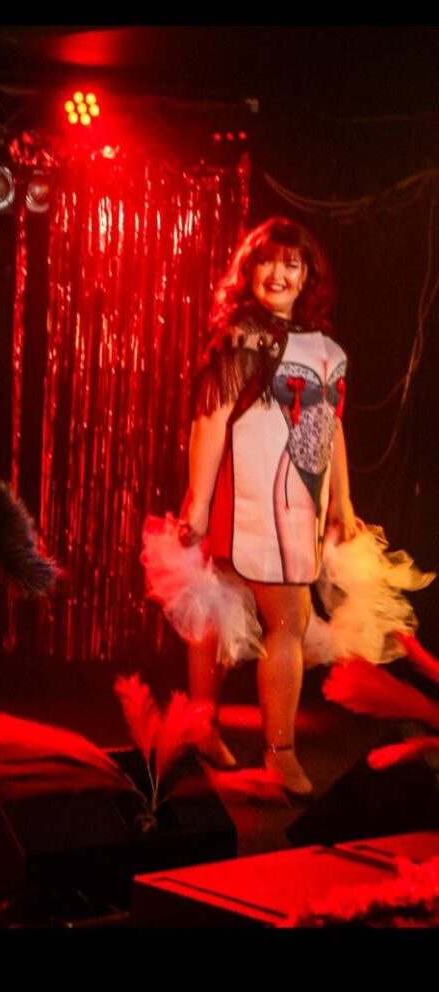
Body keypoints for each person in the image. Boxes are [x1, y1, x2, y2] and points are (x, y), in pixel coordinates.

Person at [177, 217, 355, 798]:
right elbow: (209, 419)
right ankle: (277, 753)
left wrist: (343, 500)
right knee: (276, 617)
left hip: (298, 505)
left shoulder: (326, 351)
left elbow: (331, 425)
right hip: (246, 499)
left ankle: (206, 729)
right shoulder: (243, 337)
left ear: (307, 277)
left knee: (225, 612)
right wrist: (198, 502)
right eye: (266, 261)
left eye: (290, 264)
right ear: (249, 270)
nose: (277, 273)